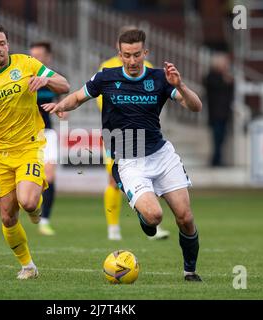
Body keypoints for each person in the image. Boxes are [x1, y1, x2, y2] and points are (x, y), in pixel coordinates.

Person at [43, 29, 203, 281]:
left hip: (161, 155)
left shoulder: (160, 78)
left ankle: (190, 271)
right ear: (119, 54)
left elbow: (195, 106)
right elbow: (77, 97)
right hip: (128, 160)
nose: (132, 61)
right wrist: (59, 106)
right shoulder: (106, 77)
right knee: (154, 216)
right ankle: (144, 217)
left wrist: (180, 84)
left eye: (137, 55)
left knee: (185, 217)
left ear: (145, 53)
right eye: (127, 55)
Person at [0, 24, 70, 280]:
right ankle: (28, 266)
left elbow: (64, 85)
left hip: (29, 145)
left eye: (2, 43)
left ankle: (35, 210)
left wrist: (46, 79)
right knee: (7, 216)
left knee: (29, 201)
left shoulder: (26, 63)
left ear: (8, 45)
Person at [97, 25, 170, 241]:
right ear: (119, 47)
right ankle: (113, 228)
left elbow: (156, 96)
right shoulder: (107, 68)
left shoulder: (147, 67)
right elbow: (102, 101)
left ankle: (150, 225)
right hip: (118, 135)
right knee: (113, 180)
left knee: (149, 179)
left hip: (145, 136)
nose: (132, 58)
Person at [29, 41, 61, 236]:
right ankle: (30, 208)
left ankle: (45, 220)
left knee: (49, 176)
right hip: (25, 134)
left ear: (47, 57)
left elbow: (60, 99)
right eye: (32, 55)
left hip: (47, 133)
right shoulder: (23, 76)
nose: (35, 59)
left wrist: (61, 109)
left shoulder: (53, 78)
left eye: (39, 55)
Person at [203, 52, 234, 167]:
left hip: (224, 113)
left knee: (221, 139)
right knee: (217, 138)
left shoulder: (225, 78)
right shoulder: (211, 77)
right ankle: (216, 161)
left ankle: (218, 159)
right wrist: (225, 80)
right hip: (216, 114)